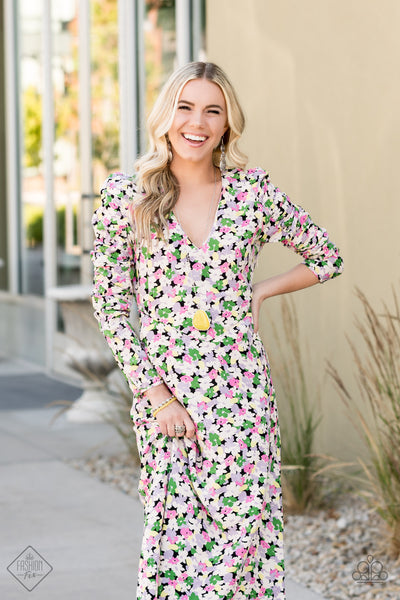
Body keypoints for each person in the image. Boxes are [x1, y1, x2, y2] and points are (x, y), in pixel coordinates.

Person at [91, 61, 343, 600]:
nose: (197, 122)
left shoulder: (252, 194)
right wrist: (157, 397)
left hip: (242, 392)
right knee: (174, 541)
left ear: (227, 123)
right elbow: (111, 308)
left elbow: (326, 256)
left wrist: (260, 291)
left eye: (213, 110)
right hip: (168, 395)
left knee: (244, 539)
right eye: (185, 107)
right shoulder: (124, 197)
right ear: (165, 116)